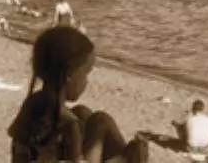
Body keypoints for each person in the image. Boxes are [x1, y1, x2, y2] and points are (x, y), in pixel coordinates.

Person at [8, 27, 148, 163]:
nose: (86, 82)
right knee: (102, 121)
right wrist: (124, 159)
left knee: (82, 112)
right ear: (69, 75)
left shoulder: (31, 105)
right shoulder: (68, 123)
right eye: (85, 74)